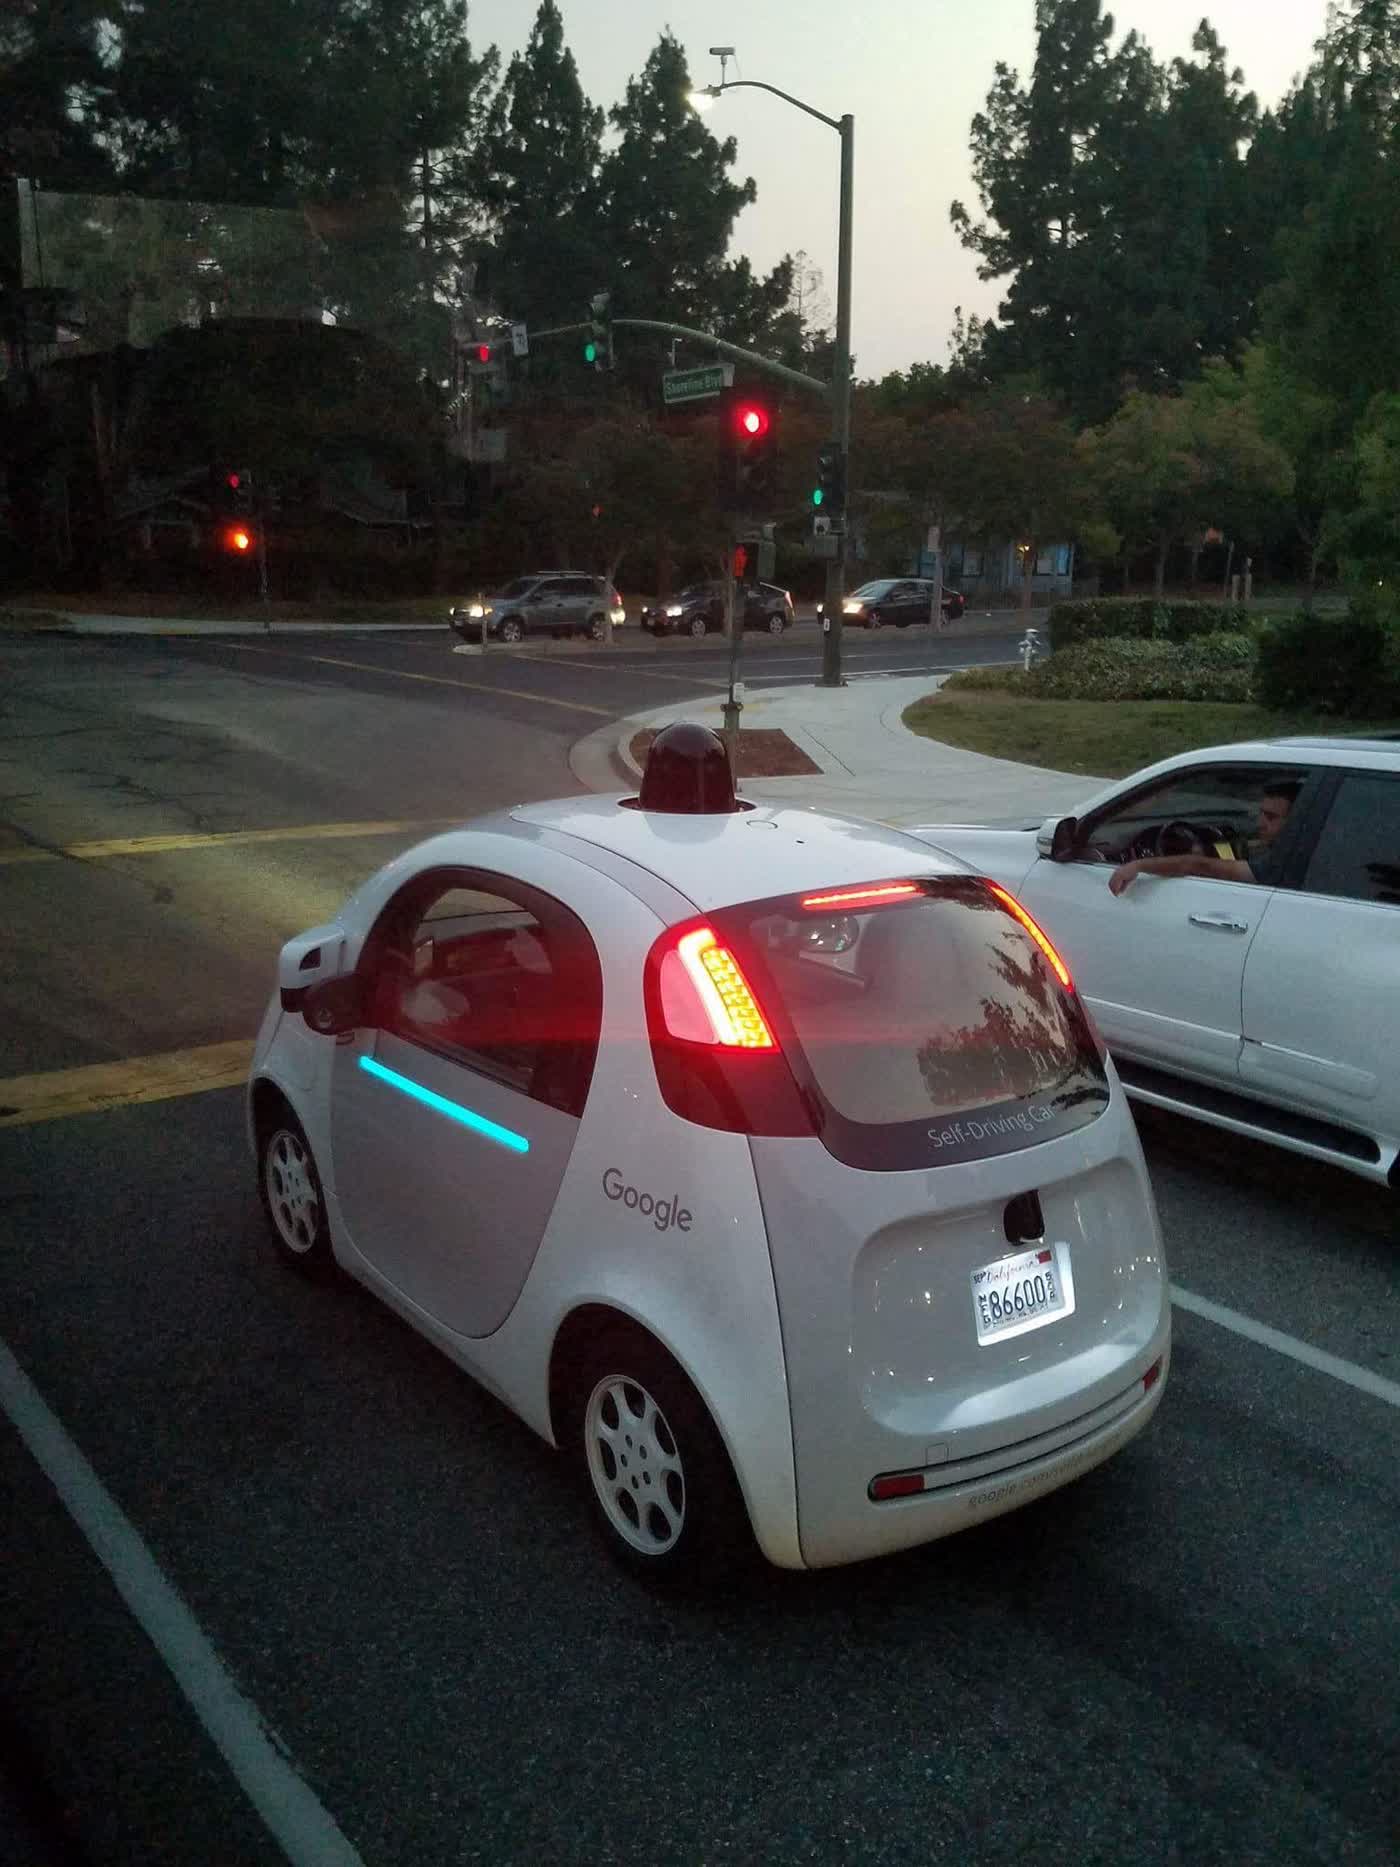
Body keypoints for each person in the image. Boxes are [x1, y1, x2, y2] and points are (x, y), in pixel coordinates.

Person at [1109, 779, 1301, 896]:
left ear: (1295, 822)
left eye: (1271, 817)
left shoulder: (1281, 863)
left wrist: (1139, 865)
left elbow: (1198, 865)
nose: (1260, 823)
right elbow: (1246, 847)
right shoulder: (1309, 846)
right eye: (1261, 814)